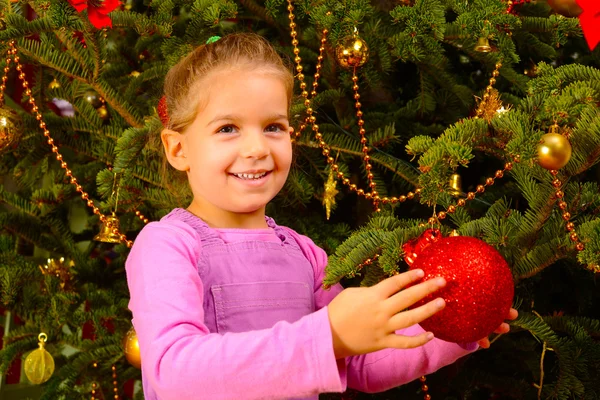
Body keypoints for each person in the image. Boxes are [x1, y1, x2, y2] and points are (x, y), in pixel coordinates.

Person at [125, 33, 518, 400]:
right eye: (228, 128)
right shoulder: (167, 246)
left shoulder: (304, 254)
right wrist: (327, 336)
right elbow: (175, 371)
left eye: (273, 127)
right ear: (178, 150)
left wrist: (446, 327)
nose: (257, 147)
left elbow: (361, 363)